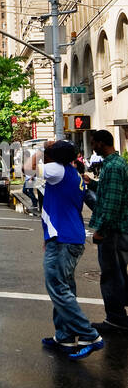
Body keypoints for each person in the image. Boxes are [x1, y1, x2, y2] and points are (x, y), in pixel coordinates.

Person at [26, 139, 103, 358]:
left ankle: (89, 335)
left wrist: (40, 150)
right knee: (65, 288)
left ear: (53, 156)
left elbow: (27, 169)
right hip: (68, 237)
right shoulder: (72, 173)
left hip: (64, 240)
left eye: (49, 151)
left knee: (58, 288)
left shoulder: (56, 169)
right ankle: (65, 337)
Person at [88, 129, 128, 333]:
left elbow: (112, 203)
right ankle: (119, 317)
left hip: (113, 231)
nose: (93, 147)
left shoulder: (113, 167)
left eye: (94, 143)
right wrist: (92, 183)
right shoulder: (115, 164)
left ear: (102, 143)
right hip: (118, 229)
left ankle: (116, 319)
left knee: (111, 275)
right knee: (118, 273)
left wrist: (101, 230)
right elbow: (109, 192)